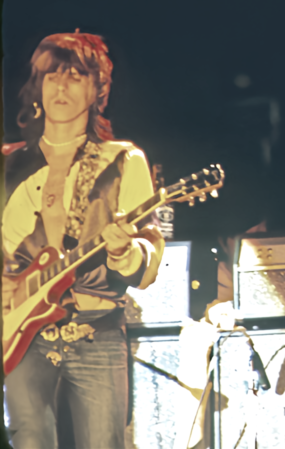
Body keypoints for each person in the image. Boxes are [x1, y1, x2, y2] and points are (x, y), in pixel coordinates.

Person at [2, 31, 164, 449]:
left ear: (98, 90)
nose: (61, 86)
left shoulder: (123, 161)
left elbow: (148, 262)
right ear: (37, 86)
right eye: (51, 75)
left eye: (75, 76)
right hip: (23, 337)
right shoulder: (7, 164)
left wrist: (123, 252)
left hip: (97, 334)